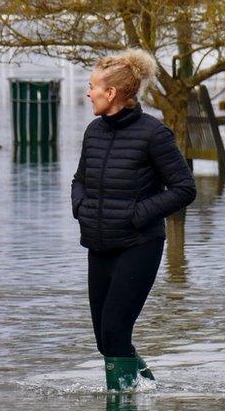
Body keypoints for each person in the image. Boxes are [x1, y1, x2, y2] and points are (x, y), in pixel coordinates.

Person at [71, 49, 197, 391]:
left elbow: (185, 188)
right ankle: (147, 391)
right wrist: (80, 207)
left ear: (110, 94)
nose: (88, 92)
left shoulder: (154, 134)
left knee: (115, 330)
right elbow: (79, 179)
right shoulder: (93, 132)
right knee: (104, 339)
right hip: (99, 244)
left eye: (92, 86)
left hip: (139, 245)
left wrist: (136, 214)